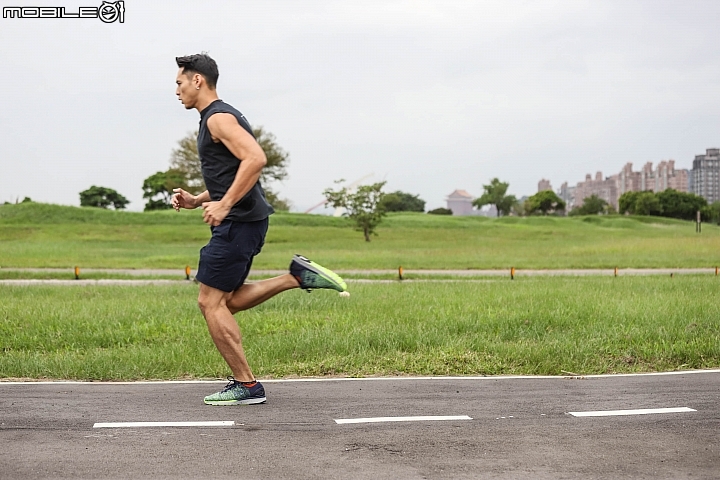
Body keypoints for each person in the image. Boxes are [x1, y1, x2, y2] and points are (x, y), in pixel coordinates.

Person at [172, 53, 347, 406]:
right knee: (225, 302)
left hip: (238, 222)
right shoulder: (216, 118)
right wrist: (199, 200)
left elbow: (255, 159)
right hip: (244, 220)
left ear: (197, 81)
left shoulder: (218, 118)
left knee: (210, 303)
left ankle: (247, 386)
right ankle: (295, 277)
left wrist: (223, 205)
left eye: (179, 83)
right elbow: (234, 172)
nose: (176, 91)